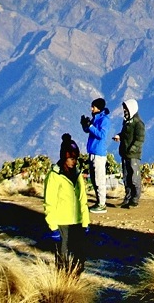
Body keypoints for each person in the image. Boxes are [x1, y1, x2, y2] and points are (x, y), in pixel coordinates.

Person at [44, 133, 91, 272]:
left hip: (77, 222)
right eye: (71, 158)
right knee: (62, 260)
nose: (74, 161)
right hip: (61, 223)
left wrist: (86, 222)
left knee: (80, 259)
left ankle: (74, 283)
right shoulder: (54, 176)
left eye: (75, 158)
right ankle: (63, 287)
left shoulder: (77, 175)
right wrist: (53, 226)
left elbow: (83, 200)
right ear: (64, 157)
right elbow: (49, 203)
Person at [80, 97, 113, 213]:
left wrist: (90, 126)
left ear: (98, 107)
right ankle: (99, 202)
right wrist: (84, 125)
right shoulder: (96, 118)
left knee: (99, 179)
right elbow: (90, 131)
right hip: (92, 152)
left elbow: (102, 135)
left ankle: (102, 204)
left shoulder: (105, 120)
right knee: (94, 179)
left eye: (93, 106)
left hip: (99, 153)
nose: (91, 108)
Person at [112, 99, 145, 208]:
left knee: (134, 178)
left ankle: (135, 199)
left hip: (133, 155)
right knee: (126, 177)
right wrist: (119, 136)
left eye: (126, 108)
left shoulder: (138, 123)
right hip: (125, 154)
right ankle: (127, 198)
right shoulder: (126, 122)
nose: (124, 110)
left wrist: (132, 149)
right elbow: (124, 134)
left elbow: (139, 139)